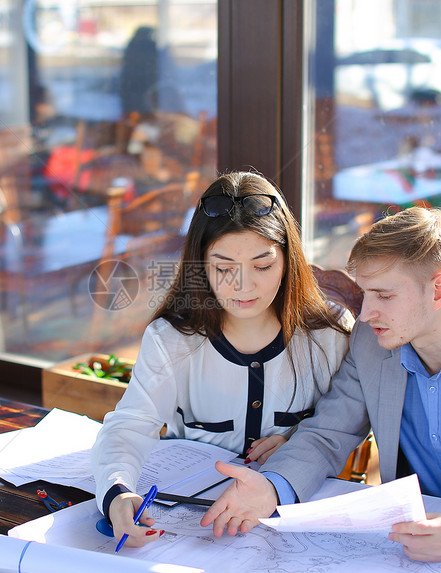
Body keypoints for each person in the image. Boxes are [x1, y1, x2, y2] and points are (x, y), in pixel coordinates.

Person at [201, 206, 441, 561]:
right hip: (405, 548)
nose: (367, 314)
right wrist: (272, 489)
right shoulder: (371, 342)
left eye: (384, 296)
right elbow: (327, 434)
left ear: (439, 289)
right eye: (365, 294)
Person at [91, 171, 354, 548]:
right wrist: (117, 492)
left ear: (288, 261)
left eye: (263, 266)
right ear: (200, 266)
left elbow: (352, 426)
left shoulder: (330, 333)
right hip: (191, 532)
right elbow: (130, 426)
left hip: (295, 531)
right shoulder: (172, 339)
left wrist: (298, 446)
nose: (243, 285)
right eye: (224, 267)